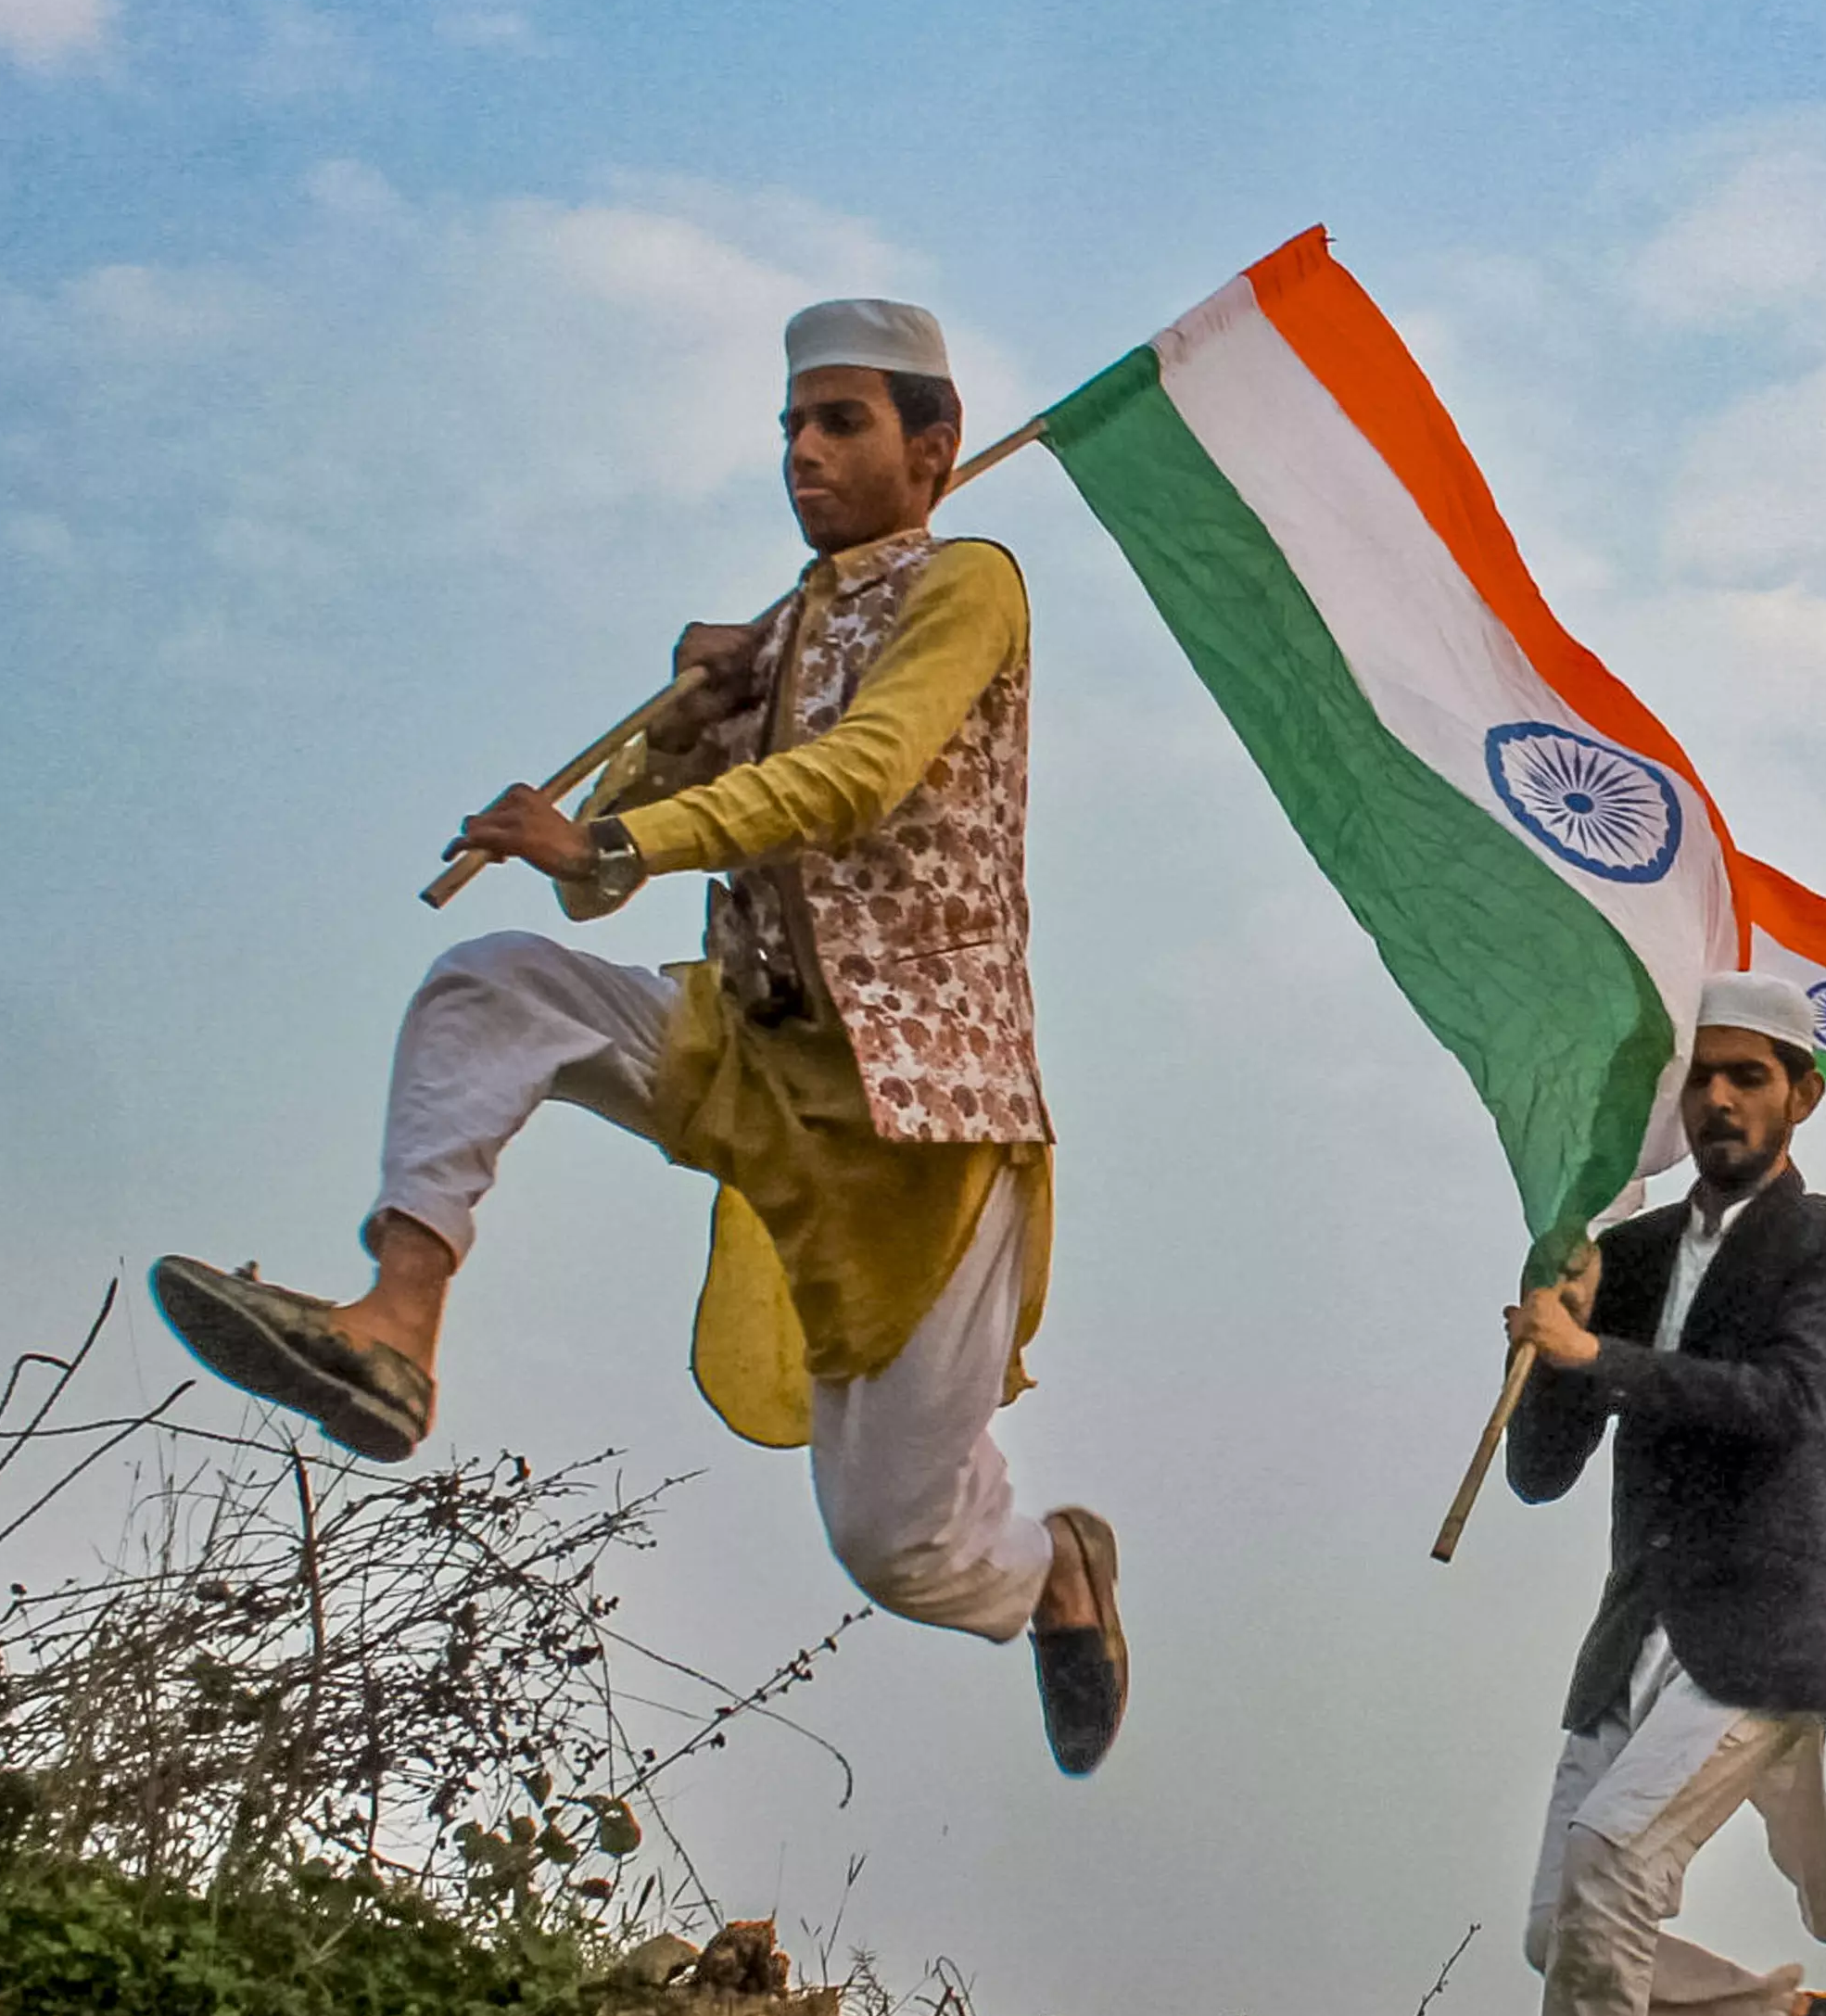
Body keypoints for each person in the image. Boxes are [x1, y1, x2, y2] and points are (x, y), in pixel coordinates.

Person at [146, 298, 1129, 1778]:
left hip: (918, 1110)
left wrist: (604, 827)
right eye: (793, 425)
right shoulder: (785, 627)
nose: (803, 450)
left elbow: (855, 780)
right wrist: (693, 709)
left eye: (842, 422)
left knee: (894, 1549)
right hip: (749, 1044)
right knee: (494, 983)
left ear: (936, 450)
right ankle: (395, 1326)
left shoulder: (967, 583)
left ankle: (1054, 1567)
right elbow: (641, 848)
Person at [1488, 974, 1826, 2016]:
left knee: (1616, 1855)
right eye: (1702, 1076)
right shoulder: (1638, 1252)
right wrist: (1548, 1320)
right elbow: (1540, 1469)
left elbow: (1790, 1404)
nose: (1719, 1098)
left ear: (1803, 1096)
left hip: (1764, 1631)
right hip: (1636, 1623)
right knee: (1565, 1927)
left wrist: (1601, 1358)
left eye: (1749, 1076)